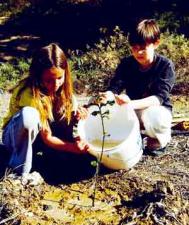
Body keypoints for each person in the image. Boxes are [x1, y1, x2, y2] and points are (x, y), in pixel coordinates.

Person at [2, 43, 90, 176]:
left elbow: (72, 118)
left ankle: (58, 155)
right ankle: (19, 170)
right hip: (15, 138)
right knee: (29, 116)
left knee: (71, 110)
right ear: (38, 76)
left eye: (59, 78)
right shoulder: (29, 94)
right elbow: (47, 137)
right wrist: (73, 148)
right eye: (48, 80)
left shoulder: (63, 90)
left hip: (41, 138)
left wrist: (79, 115)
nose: (55, 84)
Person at [100, 19, 175, 156]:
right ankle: (135, 135)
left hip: (156, 110)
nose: (138, 52)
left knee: (157, 117)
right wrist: (108, 95)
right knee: (105, 112)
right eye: (134, 47)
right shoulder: (126, 64)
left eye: (143, 47)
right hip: (133, 110)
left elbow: (159, 98)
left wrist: (130, 103)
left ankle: (158, 138)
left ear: (156, 43)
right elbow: (115, 86)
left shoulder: (165, 65)